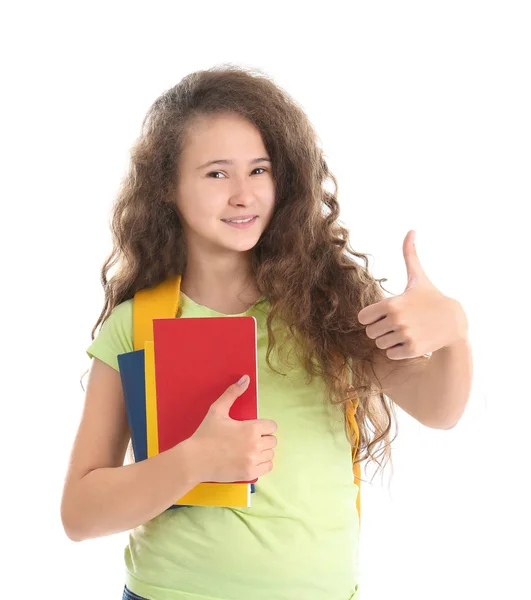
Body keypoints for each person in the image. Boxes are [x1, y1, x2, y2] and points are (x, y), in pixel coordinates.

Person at [60, 64, 450, 600]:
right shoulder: (138, 324)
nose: (243, 195)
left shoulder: (331, 304)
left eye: (260, 170)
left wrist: (454, 330)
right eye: (217, 173)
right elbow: (79, 515)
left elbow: (440, 408)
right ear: (168, 188)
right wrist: (196, 460)